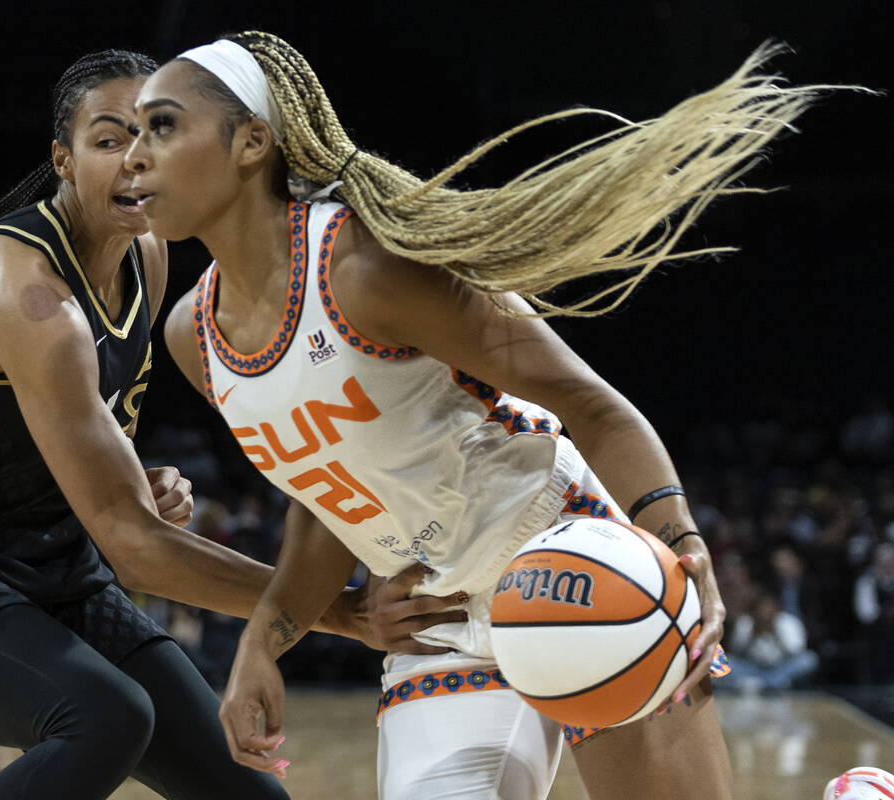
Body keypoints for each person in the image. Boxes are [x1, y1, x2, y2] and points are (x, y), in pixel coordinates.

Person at [127, 32, 828, 799]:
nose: (135, 154)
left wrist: (685, 553)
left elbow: (593, 406)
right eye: (130, 132)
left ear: (251, 142)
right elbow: (325, 494)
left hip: (571, 561)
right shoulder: (192, 336)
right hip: (437, 622)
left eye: (162, 125)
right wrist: (263, 641)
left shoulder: (367, 267)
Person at [0, 48, 455, 800]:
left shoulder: (147, 255)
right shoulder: (23, 293)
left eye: (153, 135)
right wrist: (341, 611)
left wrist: (129, 480)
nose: (135, 161)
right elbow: (137, 552)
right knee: (104, 717)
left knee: (248, 790)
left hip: (53, 565)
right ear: (63, 160)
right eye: (108, 140)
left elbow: (83, 437)